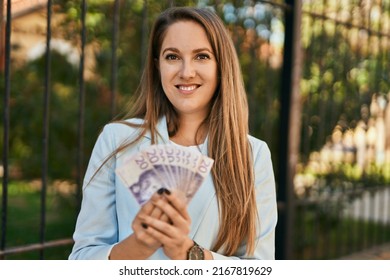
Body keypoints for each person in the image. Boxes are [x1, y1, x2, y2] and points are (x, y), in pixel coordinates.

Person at [69, 6, 277, 260]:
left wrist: (188, 252)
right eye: (172, 57)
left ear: (221, 67)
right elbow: (81, 259)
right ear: (157, 66)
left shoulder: (252, 154)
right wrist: (139, 246)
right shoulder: (116, 140)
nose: (186, 71)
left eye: (201, 56)